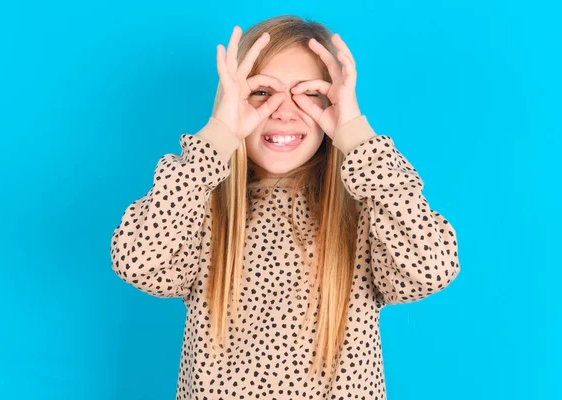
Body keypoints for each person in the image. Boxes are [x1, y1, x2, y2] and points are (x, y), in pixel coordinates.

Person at [110, 14, 460, 399]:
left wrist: (357, 136)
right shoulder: (203, 209)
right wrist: (217, 135)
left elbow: (432, 267)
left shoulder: (368, 213)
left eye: (309, 93)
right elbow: (137, 260)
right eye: (262, 91)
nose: (283, 110)